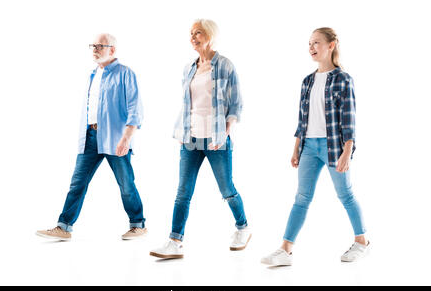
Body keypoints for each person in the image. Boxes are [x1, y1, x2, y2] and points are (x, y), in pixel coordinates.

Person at [261, 27, 369, 266]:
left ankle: (361, 242)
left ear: (331, 45)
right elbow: (302, 119)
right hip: (309, 146)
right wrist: (296, 147)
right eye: (309, 43)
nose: (311, 47)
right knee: (301, 197)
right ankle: (285, 250)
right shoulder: (307, 81)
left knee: (345, 194)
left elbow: (349, 119)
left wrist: (347, 151)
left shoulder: (343, 79)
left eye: (317, 43)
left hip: (333, 147)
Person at [150, 19, 251, 259]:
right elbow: (188, 104)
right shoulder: (189, 68)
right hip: (190, 139)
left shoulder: (225, 65)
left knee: (227, 189)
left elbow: (236, 104)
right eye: (191, 33)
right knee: (183, 192)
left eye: (198, 33)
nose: (193, 37)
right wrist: (182, 131)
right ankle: (174, 241)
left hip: (216, 139)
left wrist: (225, 134)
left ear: (210, 35)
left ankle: (243, 227)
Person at [36, 33, 146, 241]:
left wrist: (126, 138)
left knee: (126, 184)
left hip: (115, 138)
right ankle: (64, 227)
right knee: (77, 183)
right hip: (90, 137)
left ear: (112, 49)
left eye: (99, 46)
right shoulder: (93, 74)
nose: (94, 49)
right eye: (93, 46)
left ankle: (138, 224)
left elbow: (135, 108)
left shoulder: (125, 73)